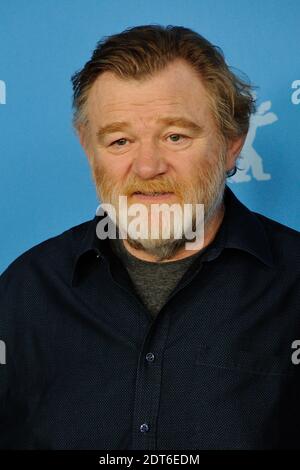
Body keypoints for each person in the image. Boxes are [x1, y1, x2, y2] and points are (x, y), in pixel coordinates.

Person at [0, 24, 300, 450]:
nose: (147, 168)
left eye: (175, 136)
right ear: (88, 147)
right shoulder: (26, 289)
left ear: (233, 142)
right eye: (120, 140)